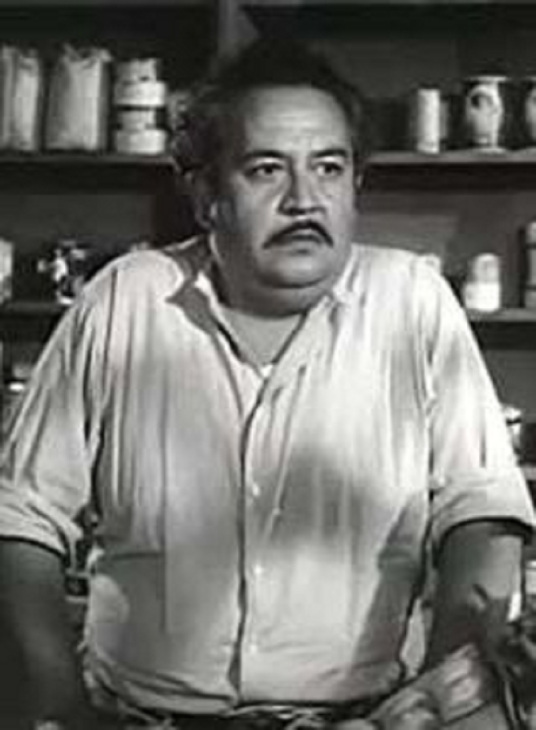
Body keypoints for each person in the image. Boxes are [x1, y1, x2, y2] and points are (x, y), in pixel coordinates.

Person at [0, 38, 534, 730]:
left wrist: (445, 696)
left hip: (365, 719)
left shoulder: (412, 302)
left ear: (355, 185)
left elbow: (481, 507)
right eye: (266, 170)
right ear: (206, 195)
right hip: (138, 715)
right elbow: (21, 517)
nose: (304, 200)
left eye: (329, 168)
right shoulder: (124, 299)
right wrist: (58, 706)